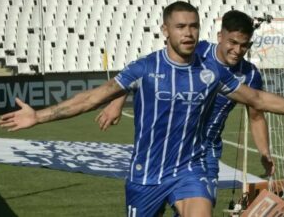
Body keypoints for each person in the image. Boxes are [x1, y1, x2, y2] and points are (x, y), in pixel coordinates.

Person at [0, 1, 284, 217]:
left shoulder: (212, 72)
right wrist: (39, 116)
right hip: (146, 173)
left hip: (191, 168)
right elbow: (94, 96)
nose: (188, 32)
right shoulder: (144, 68)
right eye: (181, 26)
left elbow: (256, 101)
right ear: (165, 30)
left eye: (193, 26)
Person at [96, 11, 275, 209]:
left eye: (245, 45)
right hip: (169, 145)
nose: (238, 50)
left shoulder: (250, 75)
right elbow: (147, 67)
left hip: (206, 151)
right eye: (233, 42)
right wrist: (116, 102)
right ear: (220, 37)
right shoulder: (199, 50)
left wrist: (265, 153)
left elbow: (257, 116)